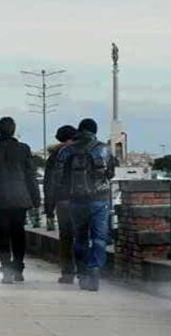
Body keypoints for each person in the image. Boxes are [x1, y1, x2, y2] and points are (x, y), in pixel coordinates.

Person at [0, 117, 40, 284]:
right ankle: (18, 268)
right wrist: (36, 198)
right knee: (18, 233)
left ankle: (6, 269)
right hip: (20, 197)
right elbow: (31, 176)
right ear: (13, 130)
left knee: (1, 236)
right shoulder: (23, 149)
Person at [57, 118, 115, 292]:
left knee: (80, 238)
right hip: (100, 199)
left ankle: (82, 274)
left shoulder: (67, 151)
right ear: (95, 131)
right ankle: (95, 269)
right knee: (99, 237)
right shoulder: (104, 149)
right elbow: (110, 173)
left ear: (79, 131)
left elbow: (60, 178)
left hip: (76, 200)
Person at [43, 124, 78, 284]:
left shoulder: (54, 156)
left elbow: (48, 183)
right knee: (82, 236)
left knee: (66, 237)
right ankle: (85, 271)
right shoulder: (80, 153)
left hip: (62, 201)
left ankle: (67, 272)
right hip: (80, 200)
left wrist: (49, 208)